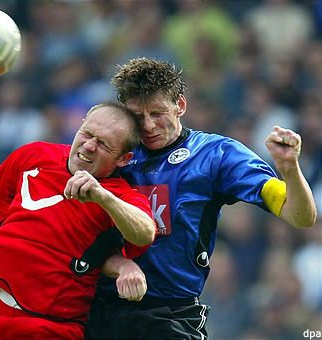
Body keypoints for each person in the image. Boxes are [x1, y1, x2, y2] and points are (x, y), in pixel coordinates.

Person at [85, 58, 317, 339]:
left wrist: (290, 169)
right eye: (137, 116)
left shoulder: (216, 155)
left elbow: (300, 216)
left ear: (180, 105)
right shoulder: (112, 152)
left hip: (169, 315)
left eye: (157, 112)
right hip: (96, 308)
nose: (148, 125)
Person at [0, 102, 156, 340]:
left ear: (124, 159)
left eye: (103, 144)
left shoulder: (119, 195)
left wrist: (103, 197)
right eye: (87, 134)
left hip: (47, 327)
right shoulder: (35, 155)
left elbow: (144, 232)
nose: (89, 145)